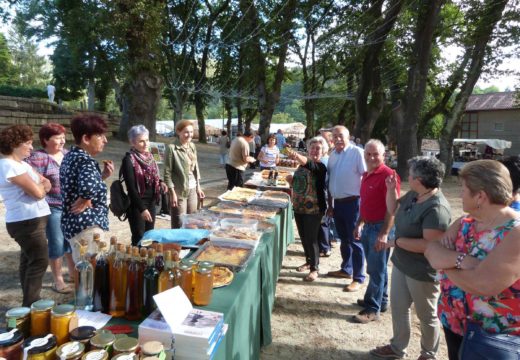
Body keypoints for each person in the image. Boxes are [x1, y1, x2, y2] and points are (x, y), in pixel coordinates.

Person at [425, 160, 520, 360]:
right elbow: (432, 251)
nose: (460, 194)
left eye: (464, 189)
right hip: (454, 324)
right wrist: (461, 260)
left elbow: (482, 284)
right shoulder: (465, 222)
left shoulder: (515, 232)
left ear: (480, 196)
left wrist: (449, 264)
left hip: (494, 339)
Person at [370, 156, 451, 360]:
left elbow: (429, 246)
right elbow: (393, 209)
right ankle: (398, 347)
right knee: (399, 308)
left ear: (421, 179)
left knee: (426, 316)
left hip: (422, 272)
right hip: (402, 264)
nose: (409, 175)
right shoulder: (415, 194)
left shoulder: (436, 208)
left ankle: (428, 354)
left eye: (412, 173)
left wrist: (396, 242)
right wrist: (390, 190)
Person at [0, 125, 51, 306]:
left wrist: (42, 186)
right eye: (27, 143)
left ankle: (29, 302)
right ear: (15, 144)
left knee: (29, 259)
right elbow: (38, 192)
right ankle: (31, 304)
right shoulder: (8, 166)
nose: (31, 147)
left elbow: (46, 183)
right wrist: (42, 187)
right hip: (26, 221)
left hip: (32, 219)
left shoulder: (21, 164)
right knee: (39, 260)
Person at [353, 139, 400, 323]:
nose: (372, 157)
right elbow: (366, 203)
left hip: (380, 227)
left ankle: (372, 309)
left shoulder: (389, 175)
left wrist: (384, 233)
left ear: (383, 155)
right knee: (376, 267)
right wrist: (359, 223)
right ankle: (382, 300)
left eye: (376, 154)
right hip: (368, 225)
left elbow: (392, 208)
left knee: (376, 269)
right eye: (368, 154)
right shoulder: (366, 174)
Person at [26, 123, 75, 294]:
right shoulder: (37, 158)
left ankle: (72, 274)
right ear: (46, 140)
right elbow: (25, 175)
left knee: (70, 241)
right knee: (57, 243)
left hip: (70, 206)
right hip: (52, 207)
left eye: (63, 137)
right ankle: (58, 280)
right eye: (58, 138)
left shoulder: (68, 154)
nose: (63, 141)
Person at [60, 114, 115, 263]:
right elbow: (87, 188)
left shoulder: (70, 156)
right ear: (86, 138)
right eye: (100, 136)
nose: (105, 140)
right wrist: (86, 197)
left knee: (83, 269)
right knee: (91, 272)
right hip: (87, 225)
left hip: (74, 224)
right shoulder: (85, 160)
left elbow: (79, 184)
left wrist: (101, 176)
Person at [326, 125, 367, 292]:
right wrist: (330, 205)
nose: (337, 139)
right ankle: (346, 269)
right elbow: (330, 181)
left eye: (340, 136)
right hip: (338, 203)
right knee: (344, 239)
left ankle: (358, 277)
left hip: (353, 203)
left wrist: (364, 205)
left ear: (348, 136)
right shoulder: (332, 155)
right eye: (334, 136)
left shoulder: (356, 152)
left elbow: (365, 177)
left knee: (355, 240)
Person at [286, 137, 328, 282]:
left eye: (318, 148)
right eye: (313, 148)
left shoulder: (320, 166)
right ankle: (308, 260)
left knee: (312, 239)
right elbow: (300, 185)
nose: (315, 150)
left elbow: (310, 164)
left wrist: (295, 155)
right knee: (304, 238)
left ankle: (314, 269)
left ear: (323, 152)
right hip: (299, 207)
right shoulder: (301, 166)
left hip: (314, 209)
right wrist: (292, 182)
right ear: (308, 149)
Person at [122, 125, 168, 245]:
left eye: (147, 140)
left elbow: (154, 176)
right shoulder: (129, 159)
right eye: (141, 141)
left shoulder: (150, 156)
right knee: (139, 237)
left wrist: (161, 182)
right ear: (133, 143)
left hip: (151, 202)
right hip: (137, 205)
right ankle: (136, 262)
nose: (145, 144)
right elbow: (131, 188)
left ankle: (147, 261)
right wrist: (142, 209)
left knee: (149, 236)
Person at [164, 120, 204, 229]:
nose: (189, 135)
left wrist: (198, 187)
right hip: (179, 191)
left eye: (191, 132)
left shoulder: (192, 146)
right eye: (186, 132)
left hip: (192, 189)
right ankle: (177, 246)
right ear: (178, 131)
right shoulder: (171, 148)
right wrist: (172, 193)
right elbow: (167, 173)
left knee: (192, 222)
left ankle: (190, 246)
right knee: (179, 223)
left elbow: (196, 168)